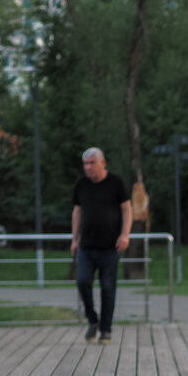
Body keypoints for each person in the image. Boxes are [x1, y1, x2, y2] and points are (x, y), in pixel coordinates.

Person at [71, 147, 132, 344]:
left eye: (92, 163)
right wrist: (74, 239)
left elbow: (126, 209)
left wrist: (125, 235)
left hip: (110, 247)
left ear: (102, 163)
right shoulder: (81, 184)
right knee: (82, 282)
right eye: (85, 164)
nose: (88, 167)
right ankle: (92, 320)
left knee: (108, 287)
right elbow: (77, 212)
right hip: (86, 247)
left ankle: (106, 329)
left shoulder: (115, 182)